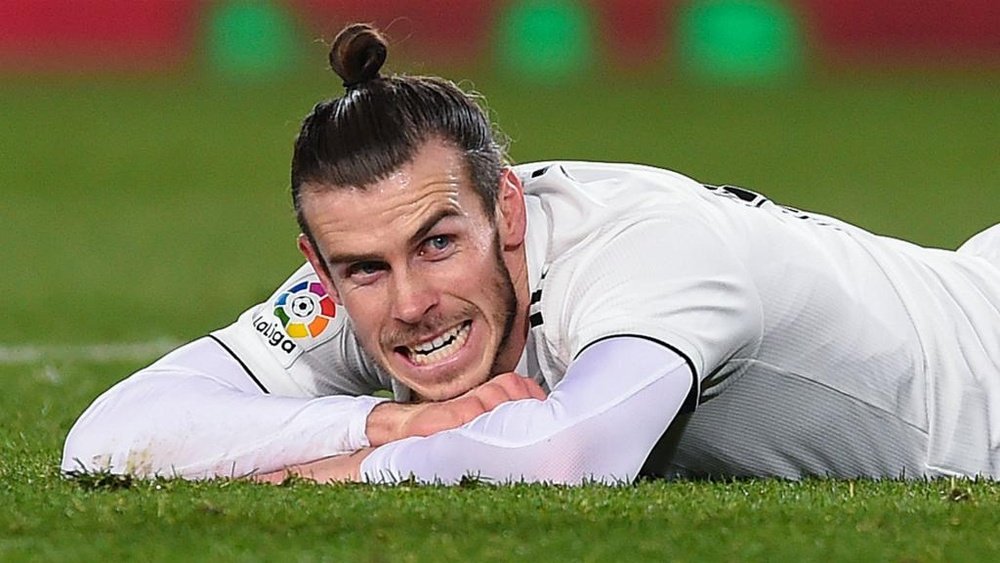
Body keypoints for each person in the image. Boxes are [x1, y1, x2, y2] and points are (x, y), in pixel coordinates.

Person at [61, 24, 1000, 485]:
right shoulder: (356, 285)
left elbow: (571, 449)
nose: (413, 302)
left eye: (439, 244)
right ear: (321, 264)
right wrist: (388, 426)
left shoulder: (648, 252)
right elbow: (107, 434)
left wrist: (328, 464)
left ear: (506, 206)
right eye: (364, 269)